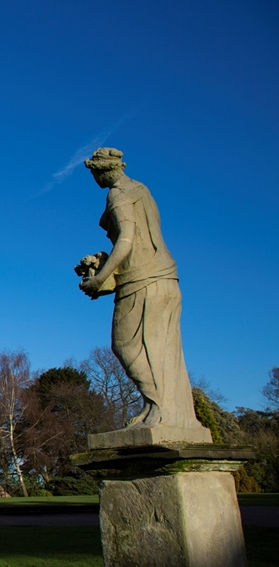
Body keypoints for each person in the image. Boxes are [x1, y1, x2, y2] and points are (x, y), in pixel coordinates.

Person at [79, 148, 203, 434]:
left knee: (127, 345)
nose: (95, 180)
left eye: (94, 174)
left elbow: (126, 240)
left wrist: (100, 278)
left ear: (101, 171)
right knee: (164, 349)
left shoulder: (118, 194)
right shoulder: (142, 190)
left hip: (143, 279)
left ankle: (159, 410)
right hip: (165, 277)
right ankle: (168, 413)